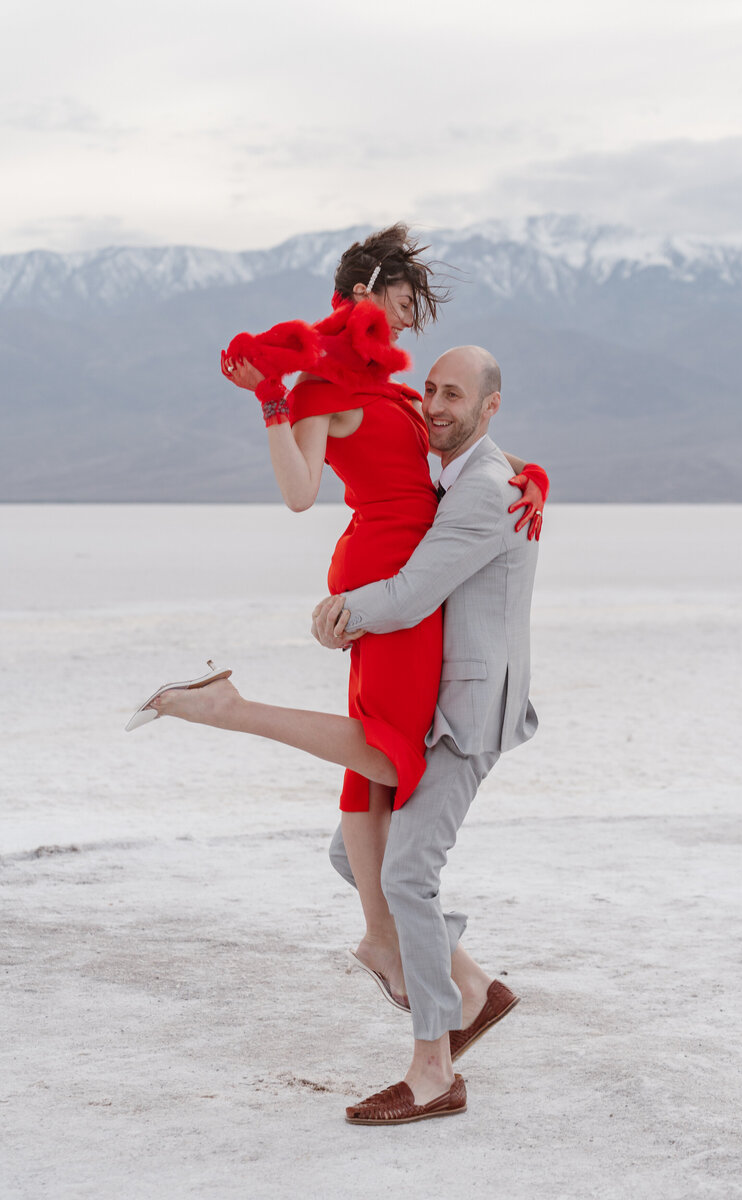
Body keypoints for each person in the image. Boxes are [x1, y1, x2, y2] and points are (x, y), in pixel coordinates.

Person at [207, 225, 547, 1012]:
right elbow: (299, 491)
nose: (403, 325)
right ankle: (384, 938)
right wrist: (270, 400)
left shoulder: (397, 390)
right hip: (385, 583)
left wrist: (530, 473)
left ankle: (444, 971)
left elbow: (457, 456)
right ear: (363, 296)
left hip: (409, 576)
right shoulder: (325, 392)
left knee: (381, 760)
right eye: (398, 307)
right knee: (389, 752)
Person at [311, 344, 539, 1124]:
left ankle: (434, 1069)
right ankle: (475, 989)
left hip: (466, 715)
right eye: (430, 390)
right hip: (427, 703)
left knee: (405, 874)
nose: (435, 406)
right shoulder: (471, 473)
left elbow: (413, 593)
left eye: (455, 395)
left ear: (490, 406)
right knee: (357, 854)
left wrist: (340, 613)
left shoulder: (484, 492)